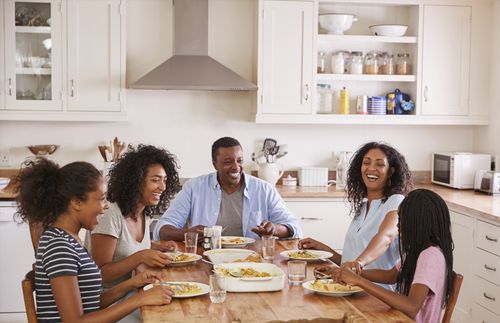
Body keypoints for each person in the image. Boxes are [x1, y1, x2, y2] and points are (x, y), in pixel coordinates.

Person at [14, 158, 172, 322]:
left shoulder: (69, 239)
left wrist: (132, 283)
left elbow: (90, 303)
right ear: (76, 202)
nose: (106, 206)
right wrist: (139, 300)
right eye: (102, 198)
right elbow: (75, 321)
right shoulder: (59, 247)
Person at [323, 189, 454, 323]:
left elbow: (411, 307)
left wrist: (359, 281)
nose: (397, 224)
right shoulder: (418, 251)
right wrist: (353, 272)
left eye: (402, 219)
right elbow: (391, 276)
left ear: (417, 224)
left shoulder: (430, 256)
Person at [299, 141, 413, 289]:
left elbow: (386, 237)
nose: (371, 168)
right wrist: (326, 250)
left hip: (378, 296)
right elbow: (351, 263)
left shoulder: (396, 201)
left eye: (379, 164)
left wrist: (358, 263)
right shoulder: (363, 207)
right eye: (366, 163)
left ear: (390, 172)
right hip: (351, 289)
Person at [154, 136, 302, 241]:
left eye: (239, 160)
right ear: (214, 164)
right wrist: (188, 234)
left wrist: (274, 229)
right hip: (206, 257)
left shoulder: (264, 189)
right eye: (227, 162)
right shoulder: (194, 187)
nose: (236, 167)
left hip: (253, 261)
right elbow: (162, 229)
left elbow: (294, 227)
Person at [88, 145, 180, 290]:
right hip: (107, 300)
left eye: (164, 180)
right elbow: (99, 274)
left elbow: (124, 246)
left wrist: (157, 246)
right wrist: (141, 256)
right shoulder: (111, 214)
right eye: (155, 180)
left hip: (134, 290)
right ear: (135, 180)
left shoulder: (144, 211)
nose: (162, 187)